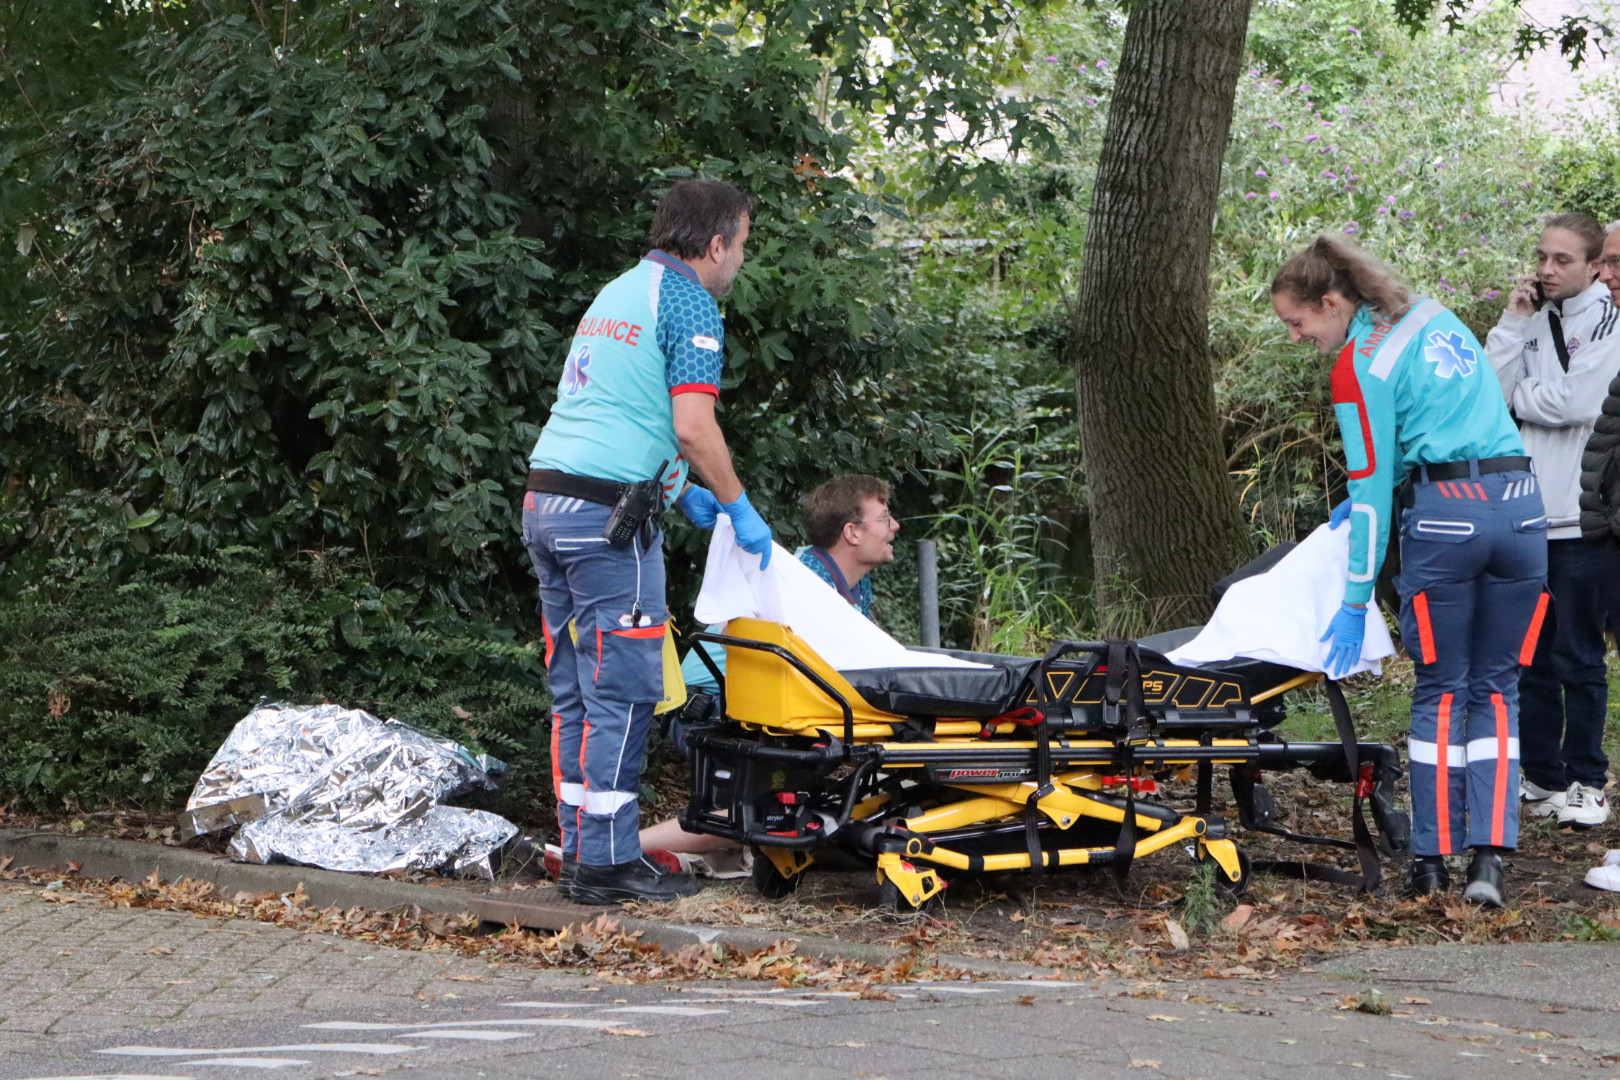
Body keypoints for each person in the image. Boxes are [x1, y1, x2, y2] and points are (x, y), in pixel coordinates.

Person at [1272, 235, 1547, 906]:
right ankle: (1491, 862)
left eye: (1298, 322)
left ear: (1332, 302)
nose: (1297, 336)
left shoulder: (1357, 365)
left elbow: (1371, 493)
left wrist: (1355, 598)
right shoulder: (1432, 315)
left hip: (1448, 520)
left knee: (1441, 693)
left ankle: (1430, 861)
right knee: (1498, 689)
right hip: (1522, 511)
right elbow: (1455, 418)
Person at [520, 178, 773, 906]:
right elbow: (693, 426)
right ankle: (606, 864)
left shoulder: (621, 290)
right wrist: (736, 503)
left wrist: (674, 490)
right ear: (716, 243)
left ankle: (577, 850)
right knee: (626, 691)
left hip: (550, 502)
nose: (740, 264)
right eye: (743, 247)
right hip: (609, 525)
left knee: (574, 688)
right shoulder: (689, 300)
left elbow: (616, 406)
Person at [640, 473, 902, 860]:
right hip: (712, 706)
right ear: (853, 532)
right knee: (757, 815)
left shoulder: (850, 584)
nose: (894, 526)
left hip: (751, 702)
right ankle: (614, 853)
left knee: (779, 808)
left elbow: (873, 655)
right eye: (884, 517)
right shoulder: (803, 584)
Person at [1485, 213, 1620, 830]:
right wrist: (1513, 322)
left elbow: (1576, 404)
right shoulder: (1533, 318)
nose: (1546, 269)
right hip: (1524, 515)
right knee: (1529, 657)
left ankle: (1589, 781)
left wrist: (1522, 400)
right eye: (1542, 256)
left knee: (1578, 656)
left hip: (1582, 518)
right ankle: (1542, 774)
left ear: (1595, 265)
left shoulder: (1611, 322)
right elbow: (1487, 391)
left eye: (1562, 260)